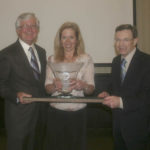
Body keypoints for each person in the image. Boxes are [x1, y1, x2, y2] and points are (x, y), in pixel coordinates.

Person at [98, 24, 150, 150]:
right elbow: (114, 85)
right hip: (117, 127)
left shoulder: (146, 62)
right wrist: (106, 92)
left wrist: (120, 102)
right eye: (117, 40)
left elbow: (147, 97)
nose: (120, 44)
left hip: (137, 129)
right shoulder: (116, 61)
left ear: (135, 41)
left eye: (126, 39)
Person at [0, 12, 47, 150]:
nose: (30, 29)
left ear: (37, 30)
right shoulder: (6, 54)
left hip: (40, 114)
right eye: (25, 26)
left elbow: (40, 82)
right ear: (18, 29)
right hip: (19, 116)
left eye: (33, 26)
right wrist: (16, 95)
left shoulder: (41, 52)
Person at [45, 21, 95, 150]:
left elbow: (91, 89)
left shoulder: (86, 59)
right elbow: (47, 89)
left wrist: (83, 85)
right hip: (56, 114)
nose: (67, 41)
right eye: (64, 37)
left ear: (77, 40)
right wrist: (55, 86)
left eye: (71, 37)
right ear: (60, 40)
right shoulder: (52, 59)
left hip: (78, 115)